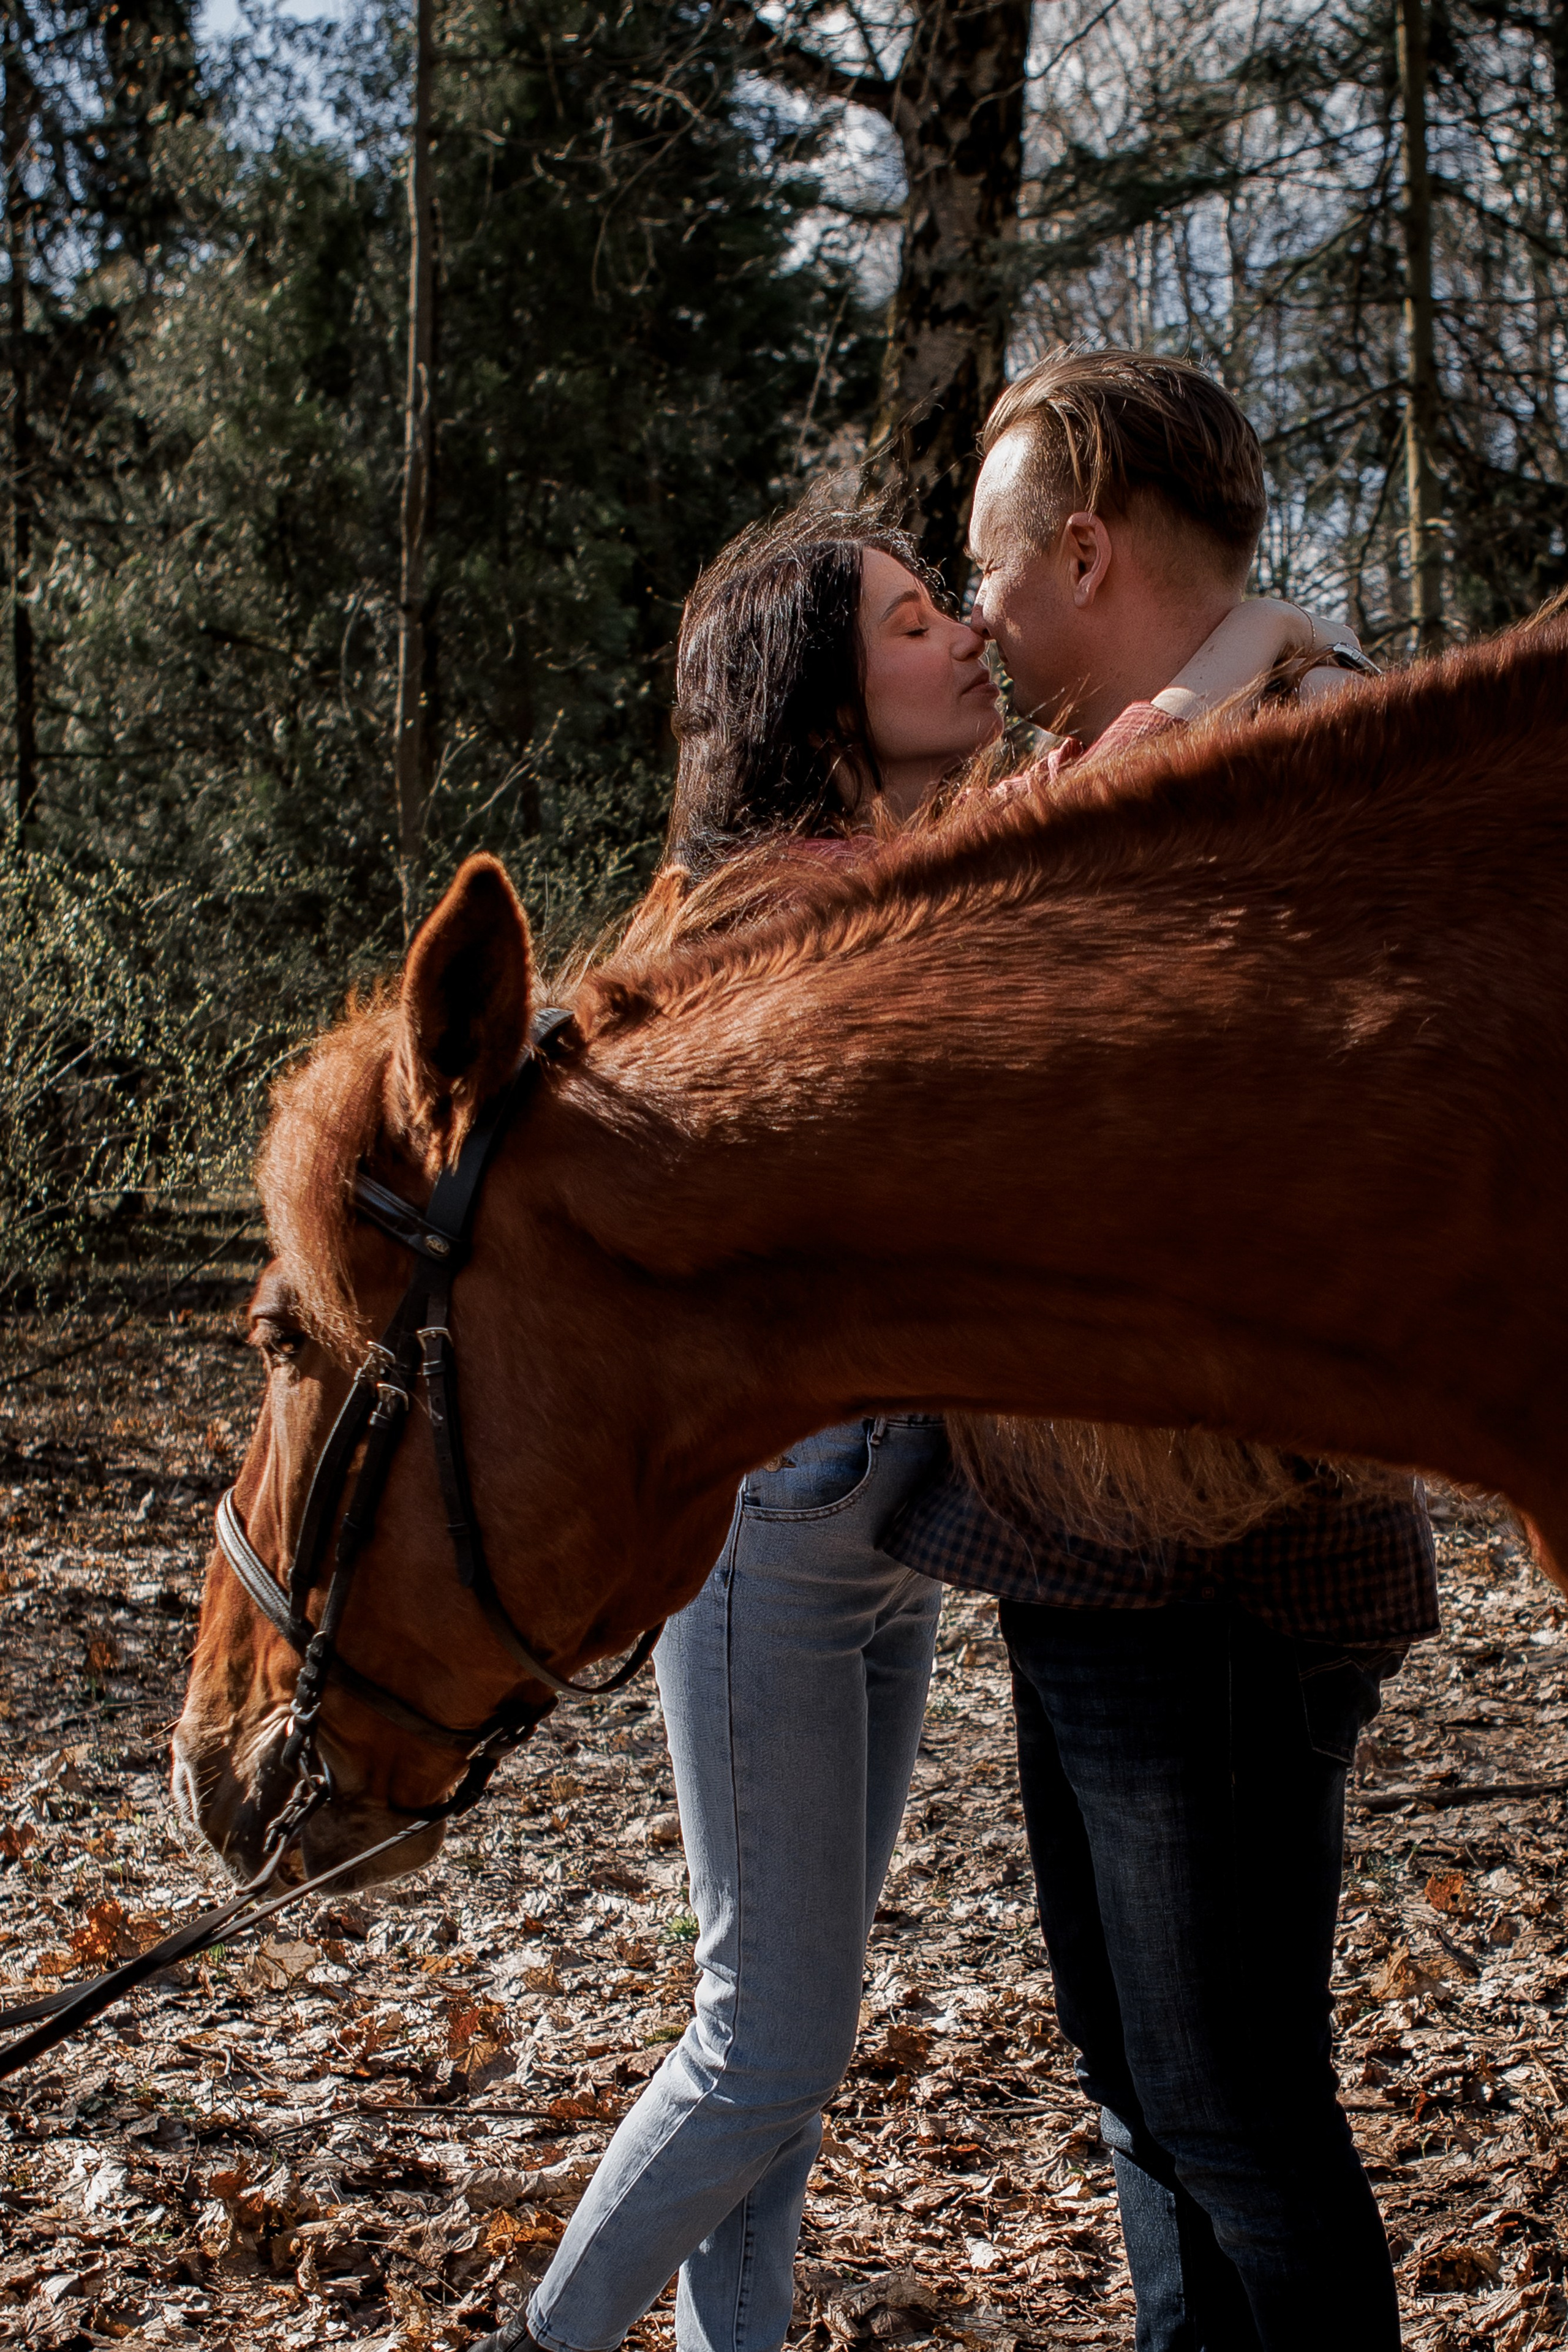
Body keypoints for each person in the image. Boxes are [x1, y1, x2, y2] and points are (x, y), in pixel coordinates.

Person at [472, 470, 1359, 2352]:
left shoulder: (884, 869)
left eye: (948, 602)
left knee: (785, 2034)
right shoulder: (790, 909)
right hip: (779, 1532)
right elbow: (1078, 834)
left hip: (881, 1532)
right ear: (813, 700)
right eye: (906, 620)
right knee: (764, 2037)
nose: (963, 630)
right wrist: (1256, 652)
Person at [884, 349, 1438, 2352]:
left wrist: (1218, 709)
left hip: (1228, 1577)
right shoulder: (1106, 771)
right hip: (1068, 1563)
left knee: (1235, 2113)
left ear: (1088, 550)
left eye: (986, 570)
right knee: (1135, 2092)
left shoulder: (1343, 754)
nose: (973, 617)